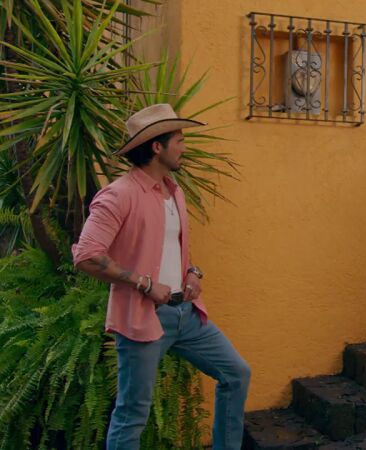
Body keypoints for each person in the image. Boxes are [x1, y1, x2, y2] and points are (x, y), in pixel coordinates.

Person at [72, 104, 251, 449]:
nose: (185, 147)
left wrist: (192, 272)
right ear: (157, 146)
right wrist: (144, 283)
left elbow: (168, 248)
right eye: (179, 140)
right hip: (143, 318)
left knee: (236, 373)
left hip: (187, 314)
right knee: (132, 413)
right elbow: (87, 255)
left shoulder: (174, 191)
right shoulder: (119, 195)